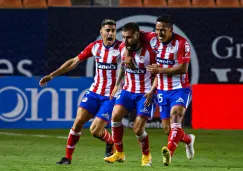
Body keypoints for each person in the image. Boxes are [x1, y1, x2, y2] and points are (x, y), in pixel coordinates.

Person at [39, 19, 122, 164]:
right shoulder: (95, 47)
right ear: (101, 32)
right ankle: (67, 158)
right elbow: (74, 61)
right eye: (107, 30)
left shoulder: (122, 48)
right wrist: (52, 75)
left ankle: (110, 142)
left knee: (95, 131)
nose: (110, 33)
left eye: (113, 30)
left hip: (111, 96)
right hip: (94, 92)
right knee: (77, 122)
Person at [141, 14, 195, 166]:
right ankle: (189, 140)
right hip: (162, 91)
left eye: (163, 30)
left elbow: (183, 68)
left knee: (176, 116)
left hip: (180, 89)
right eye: (157, 30)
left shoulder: (181, 43)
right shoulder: (152, 39)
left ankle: (168, 153)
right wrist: (126, 54)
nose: (160, 33)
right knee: (168, 129)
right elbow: (133, 35)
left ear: (171, 30)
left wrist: (160, 69)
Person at [104, 22, 157, 166]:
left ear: (137, 35)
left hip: (145, 93)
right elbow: (122, 66)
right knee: (115, 116)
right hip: (128, 90)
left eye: (128, 38)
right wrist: (116, 85)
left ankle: (147, 157)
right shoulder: (123, 47)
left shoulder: (150, 51)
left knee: (138, 128)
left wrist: (152, 91)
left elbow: (159, 74)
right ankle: (119, 153)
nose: (125, 41)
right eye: (123, 37)